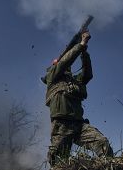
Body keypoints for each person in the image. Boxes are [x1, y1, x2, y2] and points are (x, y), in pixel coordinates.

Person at [44, 31, 113, 167]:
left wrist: (84, 53)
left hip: (79, 125)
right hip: (61, 126)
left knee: (102, 142)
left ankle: (109, 167)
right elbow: (64, 62)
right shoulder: (52, 76)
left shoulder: (74, 81)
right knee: (59, 162)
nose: (67, 66)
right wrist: (81, 44)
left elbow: (87, 75)